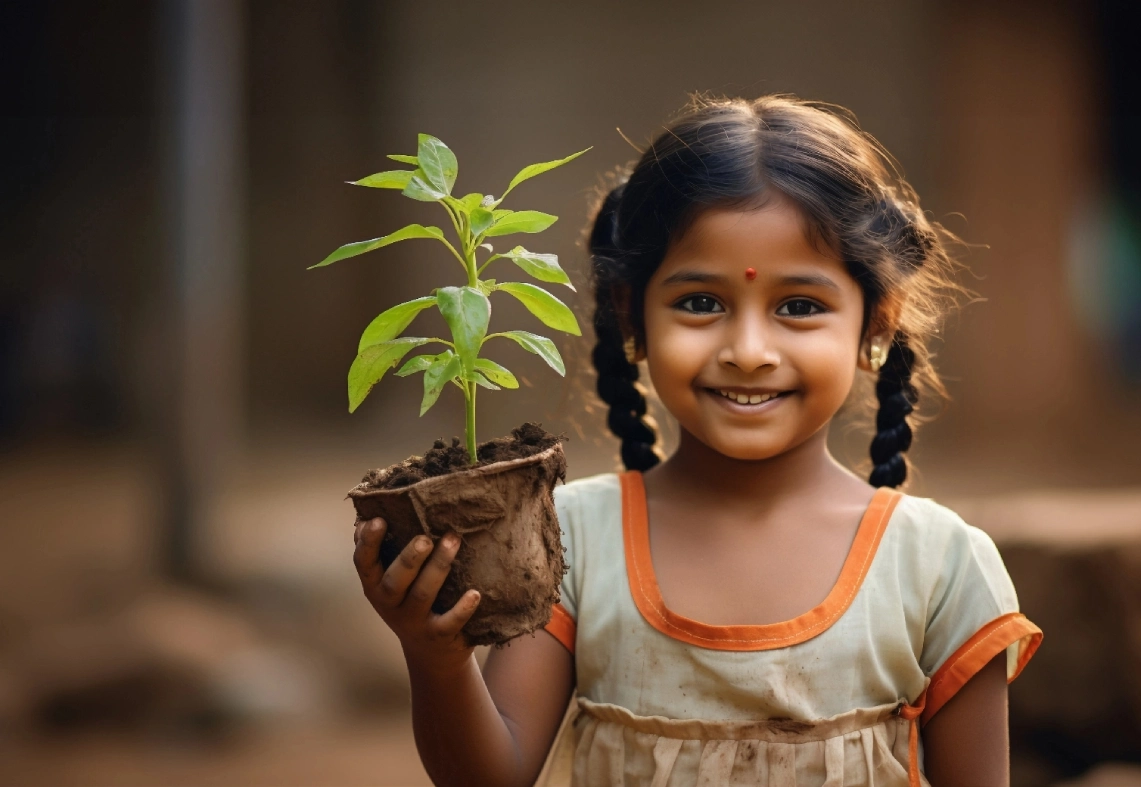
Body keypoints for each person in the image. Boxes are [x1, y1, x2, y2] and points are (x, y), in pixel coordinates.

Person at [352, 95, 1043, 786]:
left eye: (798, 306)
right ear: (632, 314)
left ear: (876, 323)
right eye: (700, 303)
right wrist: (435, 659)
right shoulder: (570, 542)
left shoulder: (941, 566)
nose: (746, 350)